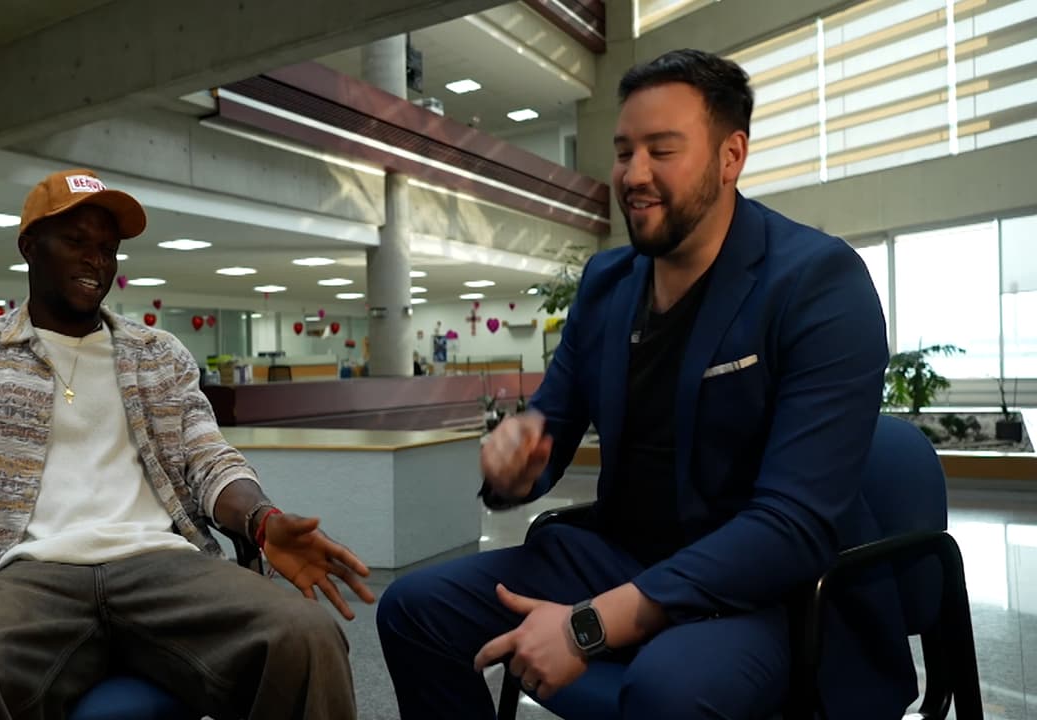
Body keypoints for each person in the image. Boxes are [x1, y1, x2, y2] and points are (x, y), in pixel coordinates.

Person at [377, 49, 911, 719]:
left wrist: (588, 625)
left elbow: (792, 525)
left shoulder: (817, 283)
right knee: (413, 610)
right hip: (621, 557)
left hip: (768, 587)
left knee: (668, 691)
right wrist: (514, 466)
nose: (633, 174)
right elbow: (548, 429)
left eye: (662, 150)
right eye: (624, 151)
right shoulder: (607, 285)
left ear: (731, 156)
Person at [0, 168, 375, 720]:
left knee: (307, 636)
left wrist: (262, 519)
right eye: (76, 241)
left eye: (107, 248)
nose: (96, 260)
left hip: (161, 563)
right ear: (30, 246)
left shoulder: (157, 353)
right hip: (27, 574)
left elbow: (209, 459)